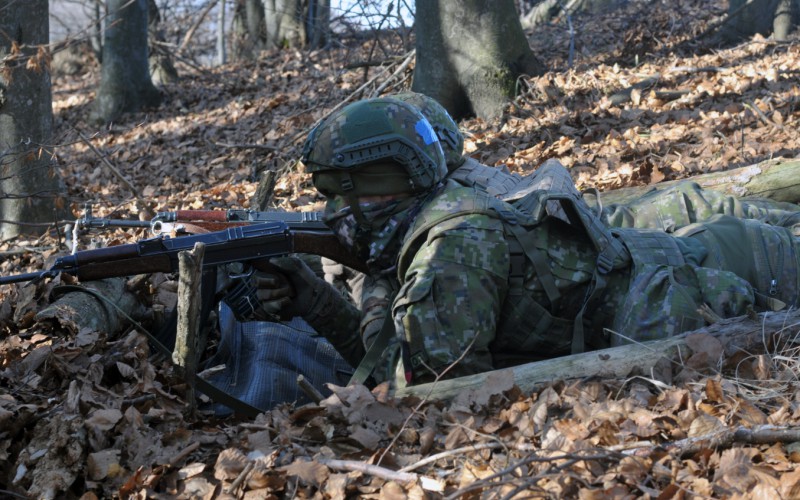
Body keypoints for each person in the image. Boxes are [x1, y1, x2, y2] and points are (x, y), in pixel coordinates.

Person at [242, 96, 800, 390]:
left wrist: (344, 298)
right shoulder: (442, 212)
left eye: (340, 194)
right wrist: (318, 299)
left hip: (724, 281)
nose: (331, 212)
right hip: (696, 259)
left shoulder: (452, 246)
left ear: (380, 184)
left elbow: (428, 401)